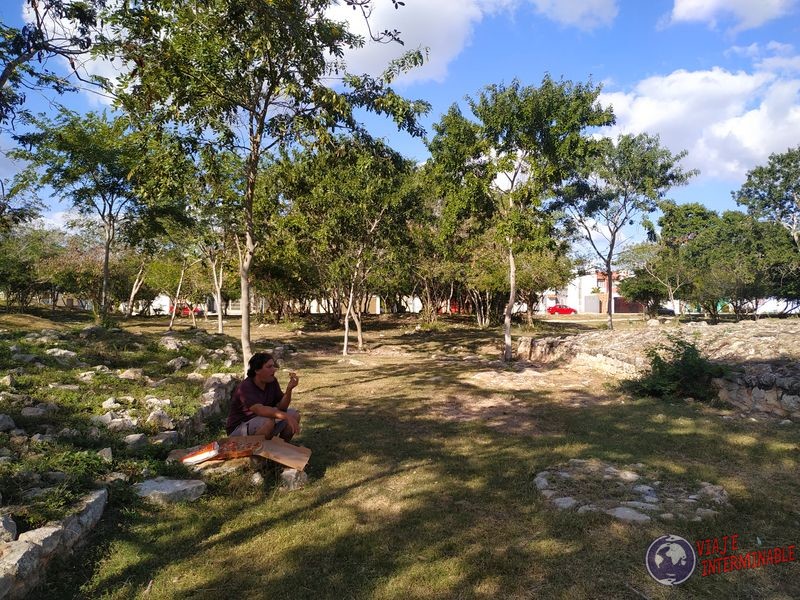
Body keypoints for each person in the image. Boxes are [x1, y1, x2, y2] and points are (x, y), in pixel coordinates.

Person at [225, 352, 301, 441]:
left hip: (260, 422)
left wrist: (289, 390)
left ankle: (283, 447)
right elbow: (260, 410)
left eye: (273, 366)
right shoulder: (246, 386)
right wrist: (286, 416)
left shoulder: (272, 381)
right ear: (257, 370)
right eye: (269, 367)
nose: (274, 370)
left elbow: (282, 407)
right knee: (268, 421)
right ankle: (258, 452)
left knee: (294, 415)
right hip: (238, 429)